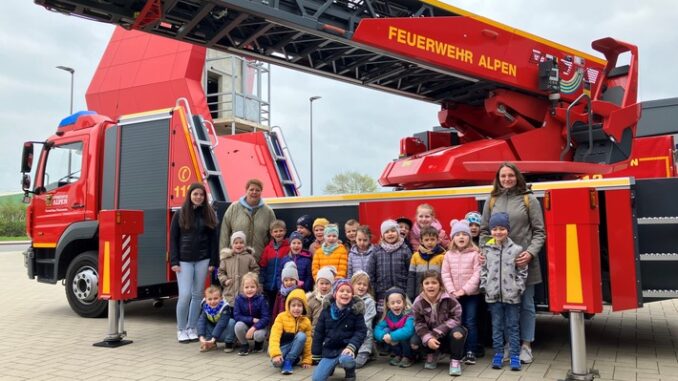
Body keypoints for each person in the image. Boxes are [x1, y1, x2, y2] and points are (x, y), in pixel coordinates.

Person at [480, 162, 545, 364]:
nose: (507, 179)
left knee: (526, 305)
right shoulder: (492, 200)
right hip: (498, 268)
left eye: (510, 175)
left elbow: (539, 232)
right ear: (498, 179)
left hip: (523, 264)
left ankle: (526, 346)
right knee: (503, 307)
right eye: (503, 176)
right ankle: (509, 346)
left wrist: (531, 253)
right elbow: (483, 232)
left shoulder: (529, 199)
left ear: (517, 177)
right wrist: (484, 252)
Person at [169, 182, 219, 343]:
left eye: (201, 195)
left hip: (203, 259)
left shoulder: (209, 214)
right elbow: (173, 239)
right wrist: (174, 261)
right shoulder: (180, 214)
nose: (198, 197)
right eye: (195, 194)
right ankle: (181, 329)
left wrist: (213, 261)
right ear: (190, 195)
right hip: (184, 261)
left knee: (197, 295)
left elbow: (213, 240)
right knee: (184, 295)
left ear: (205, 197)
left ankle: (192, 328)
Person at [480, 212, 527, 371]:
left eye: (501, 228)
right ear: (491, 230)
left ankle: (515, 355)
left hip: (512, 296)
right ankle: (498, 354)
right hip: (493, 296)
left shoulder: (516, 249)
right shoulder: (487, 249)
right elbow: (484, 269)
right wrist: (485, 285)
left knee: (513, 326)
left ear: (508, 229)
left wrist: (518, 287)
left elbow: (522, 271)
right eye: (494, 229)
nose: (498, 232)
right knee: (497, 326)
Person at [442, 219, 482, 364]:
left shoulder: (475, 254)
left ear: (469, 237)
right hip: (453, 295)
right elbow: (445, 274)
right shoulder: (448, 255)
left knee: (470, 321)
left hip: (471, 295)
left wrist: (464, 290)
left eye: (464, 234)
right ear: (453, 238)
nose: (461, 237)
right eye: (457, 234)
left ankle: (471, 350)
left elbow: (477, 274)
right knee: (455, 322)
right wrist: (452, 291)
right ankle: (459, 350)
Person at [412, 270, 467, 376]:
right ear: (422, 285)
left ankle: (455, 361)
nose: (430, 286)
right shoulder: (418, 302)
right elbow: (418, 323)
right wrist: (428, 338)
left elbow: (456, 319)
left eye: (434, 283)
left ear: (440, 285)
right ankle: (431, 354)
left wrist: (435, 334)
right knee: (414, 342)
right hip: (429, 335)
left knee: (458, 333)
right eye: (427, 283)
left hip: (447, 334)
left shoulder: (450, 299)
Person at [311, 279, 367, 381]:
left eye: (348, 291)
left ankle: (350, 372)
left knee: (346, 360)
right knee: (317, 379)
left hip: (346, 349)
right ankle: (330, 367)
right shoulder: (326, 311)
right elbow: (318, 332)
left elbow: (361, 331)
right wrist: (316, 353)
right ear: (335, 294)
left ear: (352, 295)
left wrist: (351, 347)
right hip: (329, 349)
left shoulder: (356, 311)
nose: (345, 293)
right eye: (341, 291)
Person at [219, 179, 276, 262]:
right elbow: (224, 233)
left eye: (257, 190)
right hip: (235, 260)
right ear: (246, 190)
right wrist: (224, 256)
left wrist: (270, 257)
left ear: (261, 192)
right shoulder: (234, 208)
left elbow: (273, 237)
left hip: (258, 260)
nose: (254, 192)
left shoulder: (268, 212)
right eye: (251, 189)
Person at [367, 219, 412, 314]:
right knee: (383, 317)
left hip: (401, 292)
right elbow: (370, 273)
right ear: (382, 235)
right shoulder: (376, 251)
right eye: (386, 232)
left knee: (402, 316)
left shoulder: (405, 250)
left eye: (393, 231)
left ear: (398, 233)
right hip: (382, 293)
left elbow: (410, 272)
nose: (390, 234)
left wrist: (408, 291)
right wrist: (375, 290)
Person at [269, 288, 313, 375]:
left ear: (304, 307)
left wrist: (307, 360)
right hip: (282, 348)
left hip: (296, 350)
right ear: (288, 306)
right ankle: (286, 360)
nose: (296, 308)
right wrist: (275, 354)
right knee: (277, 364)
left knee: (301, 336)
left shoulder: (306, 321)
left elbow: (308, 342)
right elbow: (274, 336)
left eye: (299, 305)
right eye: (293, 305)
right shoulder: (281, 317)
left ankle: (289, 361)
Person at [374, 287, 416, 368]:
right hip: (396, 339)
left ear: (404, 302)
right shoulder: (388, 315)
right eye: (392, 303)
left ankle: (408, 356)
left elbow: (408, 330)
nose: (396, 305)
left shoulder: (409, 314)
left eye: (398, 302)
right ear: (388, 305)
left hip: (409, 341)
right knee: (386, 330)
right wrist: (383, 336)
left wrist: (392, 336)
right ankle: (398, 355)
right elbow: (377, 328)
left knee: (403, 334)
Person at [217, 231, 259, 306]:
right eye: (236, 243)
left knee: (243, 310)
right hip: (230, 292)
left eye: (241, 243)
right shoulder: (227, 258)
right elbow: (221, 272)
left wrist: (251, 279)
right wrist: (225, 280)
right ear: (232, 245)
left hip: (244, 292)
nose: (238, 245)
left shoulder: (249, 257)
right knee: (229, 312)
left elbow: (255, 270)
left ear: (245, 244)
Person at [233, 272, 270, 355]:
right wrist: (252, 320)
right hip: (246, 324)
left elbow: (266, 318)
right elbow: (237, 316)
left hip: (259, 326)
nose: (249, 289)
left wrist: (254, 327)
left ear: (257, 287)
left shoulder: (262, 299)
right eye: (247, 287)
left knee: (258, 335)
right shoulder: (239, 299)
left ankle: (258, 344)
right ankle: (244, 345)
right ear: (242, 288)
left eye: (252, 287)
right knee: (238, 326)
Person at [406, 226, 446, 301]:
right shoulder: (415, 256)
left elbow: (444, 276)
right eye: (426, 240)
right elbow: (411, 276)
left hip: (437, 295)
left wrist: (444, 291)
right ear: (421, 241)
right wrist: (410, 294)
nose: (430, 242)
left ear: (437, 240)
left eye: (432, 239)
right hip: (419, 294)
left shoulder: (442, 256)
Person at [259, 219, 290, 309]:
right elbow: (263, 266)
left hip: (282, 286)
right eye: (275, 231)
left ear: (285, 231)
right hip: (268, 286)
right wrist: (261, 282)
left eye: (281, 231)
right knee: (269, 307)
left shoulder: (288, 247)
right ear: (271, 233)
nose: (278, 233)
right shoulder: (268, 249)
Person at [197, 285, 235, 352]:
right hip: (213, 334)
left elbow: (221, 324)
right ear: (205, 299)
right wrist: (201, 337)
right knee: (202, 322)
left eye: (215, 298)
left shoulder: (225, 307)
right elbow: (201, 321)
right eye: (210, 299)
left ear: (221, 298)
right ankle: (210, 344)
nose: (212, 301)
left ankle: (229, 343)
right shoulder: (205, 306)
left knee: (231, 322)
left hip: (223, 332)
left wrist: (214, 338)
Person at [351, 271, 377, 368]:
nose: (361, 287)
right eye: (359, 284)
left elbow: (367, 320)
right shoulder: (348, 299)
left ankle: (365, 351)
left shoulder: (369, 301)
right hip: (350, 330)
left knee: (367, 332)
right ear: (352, 284)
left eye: (364, 285)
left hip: (364, 330)